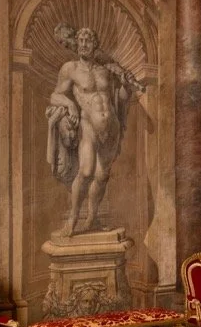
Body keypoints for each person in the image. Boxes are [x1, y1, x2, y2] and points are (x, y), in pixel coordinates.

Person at [46, 27, 136, 236]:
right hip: (88, 126)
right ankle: (72, 220)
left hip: (111, 127)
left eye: (88, 40)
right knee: (86, 172)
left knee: (102, 175)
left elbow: (121, 99)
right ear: (76, 44)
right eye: (81, 40)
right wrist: (69, 105)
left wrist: (125, 86)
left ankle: (92, 218)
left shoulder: (105, 70)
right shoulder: (70, 69)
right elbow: (55, 95)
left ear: (95, 44)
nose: (84, 44)